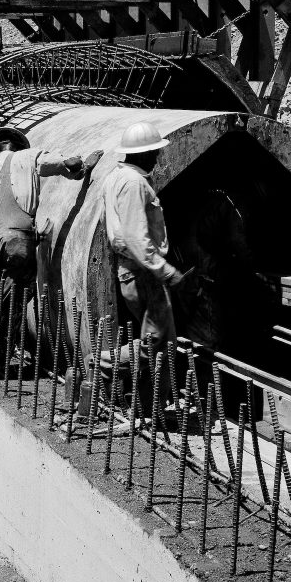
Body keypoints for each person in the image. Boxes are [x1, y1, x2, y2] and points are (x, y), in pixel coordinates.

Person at [0, 126, 100, 380]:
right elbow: (65, 163)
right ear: (18, 146)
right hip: (17, 242)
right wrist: (82, 166)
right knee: (13, 301)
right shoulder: (28, 157)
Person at [98, 122, 186, 400]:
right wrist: (167, 272)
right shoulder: (134, 183)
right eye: (154, 152)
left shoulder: (115, 178)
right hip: (143, 273)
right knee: (156, 342)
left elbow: (113, 226)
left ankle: (152, 403)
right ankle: (98, 366)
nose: (158, 157)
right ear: (143, 153)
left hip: (131, 271)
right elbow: (137, 237)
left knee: (162, 343)